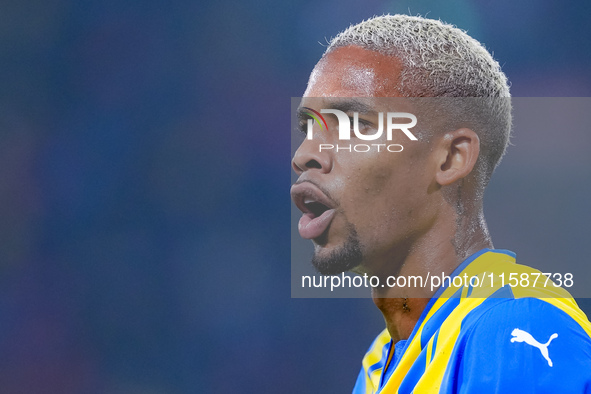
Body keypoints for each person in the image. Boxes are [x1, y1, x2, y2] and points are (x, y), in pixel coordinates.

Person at [290, 14, 591, 393]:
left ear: (450, 158)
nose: (304, 154)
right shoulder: (382, 359)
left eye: (353, 123)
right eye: (308, 128)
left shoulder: (514, 326)